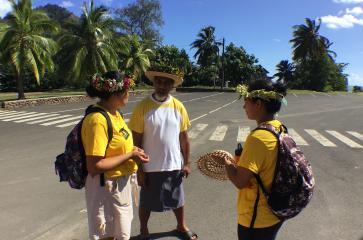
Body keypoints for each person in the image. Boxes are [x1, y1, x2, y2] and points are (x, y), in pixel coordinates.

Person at [128, 70, 198, 240]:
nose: (161, 85)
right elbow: (135, 143)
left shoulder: (178, 106)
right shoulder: (142, 106)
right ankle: (144, 230)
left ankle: (181, 226)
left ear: (172, 85)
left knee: (178, 199)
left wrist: (187, 162)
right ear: (154, 83)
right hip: (149, 165)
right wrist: (139, 169)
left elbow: (184, 139)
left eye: (166, 82)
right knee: (146, 203)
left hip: (174, 164)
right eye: (158, 81)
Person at [82, 70, 149, 240]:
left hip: (120, 183)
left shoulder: (115, 113)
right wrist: (129, 155)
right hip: (106, 187)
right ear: (117, 93)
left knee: (120, 232)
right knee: (108, 234)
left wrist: (133, 150)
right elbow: (94, 166)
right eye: (128, 90)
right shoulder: (97, 120)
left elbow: (118, 143)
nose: (130, 94)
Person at [224, 80, 287, 240]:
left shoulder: (258, 137)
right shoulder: (279, 127)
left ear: (258, 104)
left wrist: (227, 163)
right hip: (275, 212)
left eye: (246, 102)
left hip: (256, 218)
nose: (244, 106)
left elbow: (240, 181)